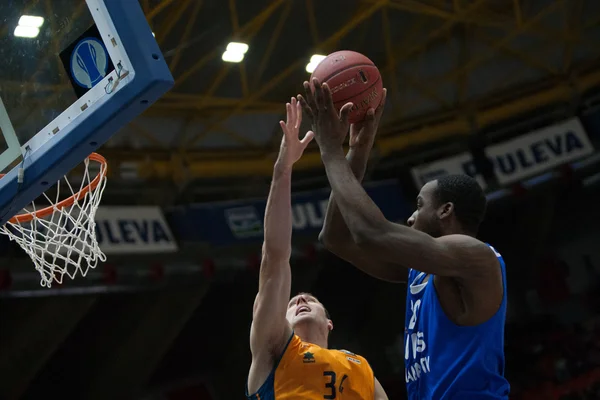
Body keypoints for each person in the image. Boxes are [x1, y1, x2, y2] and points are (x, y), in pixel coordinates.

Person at [298, 78, 511, 399]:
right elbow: (336, 237)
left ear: (446, 210)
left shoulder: (476, 257)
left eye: (419, 205)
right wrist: (357, 151)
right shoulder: (423, 269)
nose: (411, 217)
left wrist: (330, 149)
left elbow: (371, 233)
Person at [246, 98, 389, 400]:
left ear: (329, 322)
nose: (299, 298)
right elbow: (275, 257)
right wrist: (282, 170)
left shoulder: (360, 367)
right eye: (291, 303)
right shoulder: (275, 349)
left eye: (310, 299)